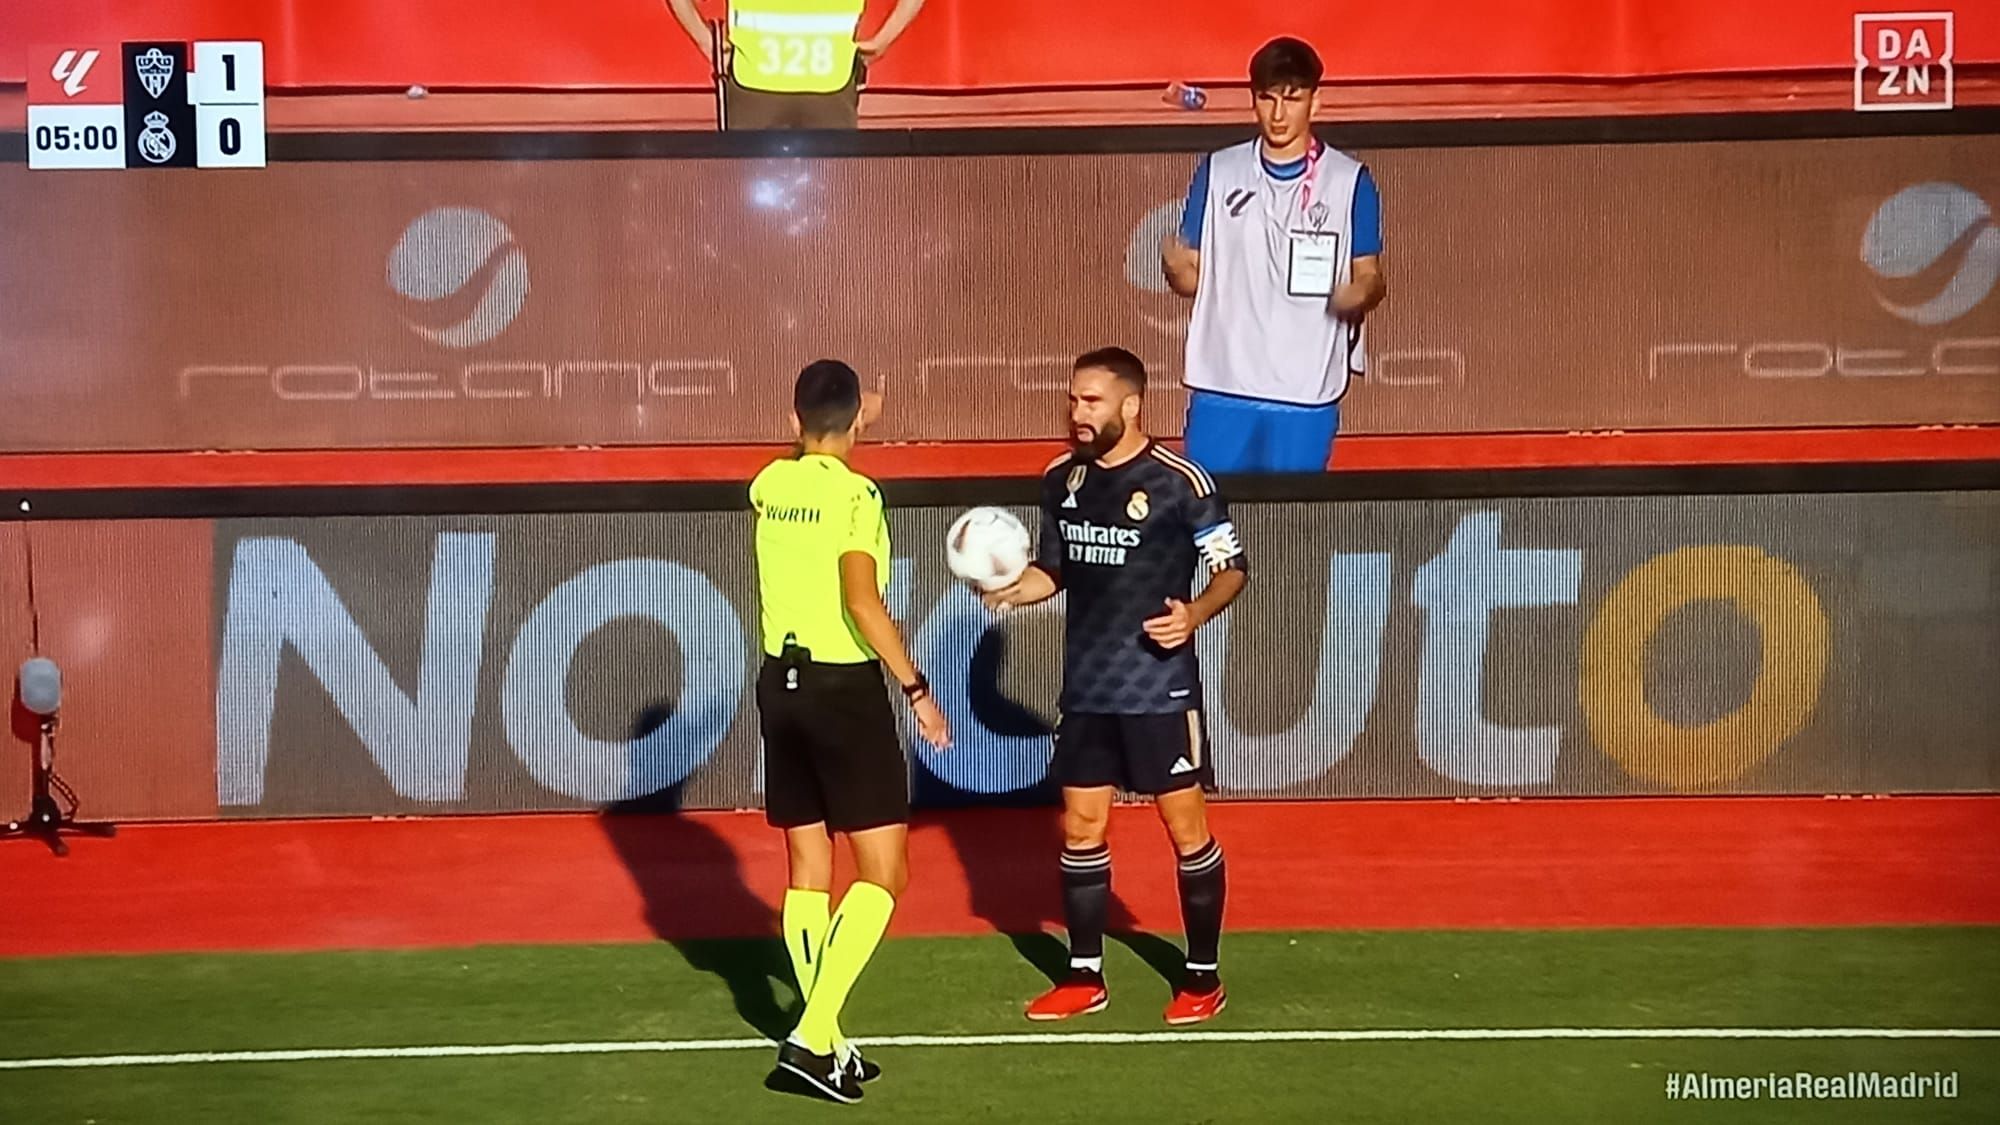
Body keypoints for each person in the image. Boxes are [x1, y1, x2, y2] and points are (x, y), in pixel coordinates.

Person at [984, 346, 1249, 1025]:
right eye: (1074, 399)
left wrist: (1193, 614)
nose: (1077, 413)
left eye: (1091, 401)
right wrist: (1019, 591)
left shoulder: (1180, 482)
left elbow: (1232, 569)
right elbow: (1055, 568)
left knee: (1184, 828)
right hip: (1089, 688)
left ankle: (1202, 974)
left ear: (1131, 405)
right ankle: (1084, 974)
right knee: (1080, 826)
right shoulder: (1060, 479)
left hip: (1158, 686)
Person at [750, 358, 951, 1103]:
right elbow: (863, 602)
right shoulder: (858, 495)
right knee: (884, 873)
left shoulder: (768, 485)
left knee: (808, 866)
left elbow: (792, 474)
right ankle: (811, 1036)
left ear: (792, 417)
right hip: (843, 689)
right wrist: (918, 691)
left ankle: (825, 1037)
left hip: (780, 682)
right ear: (862, 415)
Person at [1161, 36, 1388, 473]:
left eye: (1292, 99)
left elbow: (1370, 276)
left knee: (1287, 525)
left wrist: (1358, 294)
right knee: (1211, 521)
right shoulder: (1219, 170)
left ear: (1315, 103)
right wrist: (1175, 269)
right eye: (1267, 99)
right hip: (1223, 384)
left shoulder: (1349, 181)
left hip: (1304, 392)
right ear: (1254, 101)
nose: (1279, 114)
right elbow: (1193, 279)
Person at [665, 0, 928, 130]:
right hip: (829, 83)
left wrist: (704, 39)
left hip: (755, 82)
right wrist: (882, 41)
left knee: (747, 205)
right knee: (831, 204)